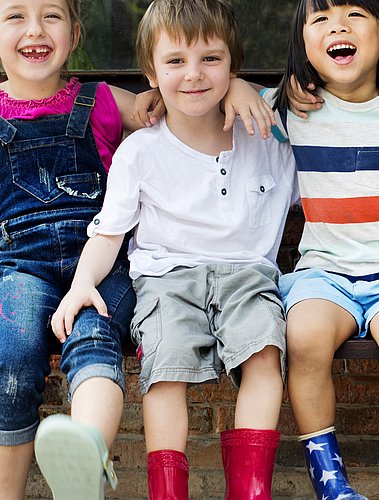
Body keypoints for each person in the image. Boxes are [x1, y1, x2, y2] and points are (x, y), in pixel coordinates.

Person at [50, 0, 298, 498]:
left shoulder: (269, 135)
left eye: (211, 59)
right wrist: (81, 285)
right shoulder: (140, 151)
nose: (194, 75)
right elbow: (110, 231)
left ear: (233, 64)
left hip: (249, 275)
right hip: (166, 278)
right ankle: (168, 489)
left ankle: (251, 488)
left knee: (265, 354)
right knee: (164, 372)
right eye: (176, 61)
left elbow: (320, 96)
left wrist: (251, 91)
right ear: (151, 73)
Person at [266, 0, 379, 498]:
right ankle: (332, 485)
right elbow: (222, 95)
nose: (337, 27)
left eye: (355, 15)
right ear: (303, 43)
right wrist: (250, 87)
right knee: (303, 339)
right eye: (320, 20)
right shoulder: (288, 110)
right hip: (325, 271)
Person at [0, 0, 165, 497]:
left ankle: (86, 465)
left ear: (74, 35)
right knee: (11, 355)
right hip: (19, 269)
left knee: (94, 334)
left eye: (51, 16)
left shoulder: (105, 101)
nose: (35, 29)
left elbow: (181, 101)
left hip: (100, 264)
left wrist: (238, 87)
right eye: (15, 17)